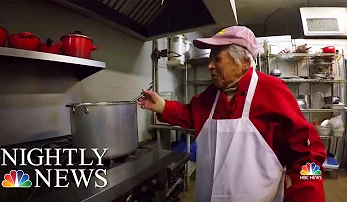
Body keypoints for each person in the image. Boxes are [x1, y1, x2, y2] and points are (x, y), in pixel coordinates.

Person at [138, 26, 327, 202]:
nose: (210, 65)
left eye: (217, 59)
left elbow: (307, 153)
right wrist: (162, 105)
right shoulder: (212, 94)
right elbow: (191, 114)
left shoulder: (271, 91)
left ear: (244, 62)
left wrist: (308, 192)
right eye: (210, 59)